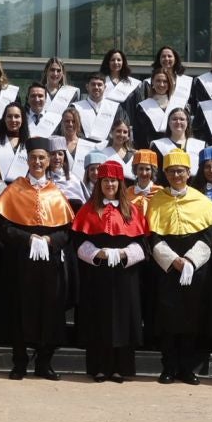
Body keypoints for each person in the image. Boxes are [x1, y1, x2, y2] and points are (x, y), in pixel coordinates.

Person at [0, 138, 74, 380]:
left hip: (49, 263)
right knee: (20, 308)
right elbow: (3, 227)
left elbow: (66, 231)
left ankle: (44, 362)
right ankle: (19, 362)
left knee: (49, 309)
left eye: (42, 158)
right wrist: (28, 238)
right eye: (33, 158)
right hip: (21, 260)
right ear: (27, 160)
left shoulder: (56, 193)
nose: (37, 162)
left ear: (49, 161)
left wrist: (48, 241)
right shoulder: (15, 188)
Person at [144, 148, 212, 385]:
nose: (177, 175)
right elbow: (153, 237)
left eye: (181, 171)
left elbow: (208, 237)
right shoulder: (156, 201)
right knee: (167, 319)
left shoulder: (203, 202)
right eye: (172, 171)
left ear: (189, 173)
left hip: (195, 268)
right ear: (165, 174)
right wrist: (172, 260)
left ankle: (188, 368)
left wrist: (190, 261)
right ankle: (169, 367)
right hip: (166, 268)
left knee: (192, 317)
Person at [72, 158, 148, 383]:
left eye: (114, 181)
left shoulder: (132, 210)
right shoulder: (88, 209)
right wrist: (99, 254)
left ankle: (120, 367)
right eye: (105, 181)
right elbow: (77, 241)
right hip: (97, 274)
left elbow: (143, 244)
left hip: (125, 275)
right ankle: (99, 367)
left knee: (123, 319)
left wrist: (123, 254)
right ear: (99, 183)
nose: (110, 186)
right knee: (98, 318)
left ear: (120, 184)